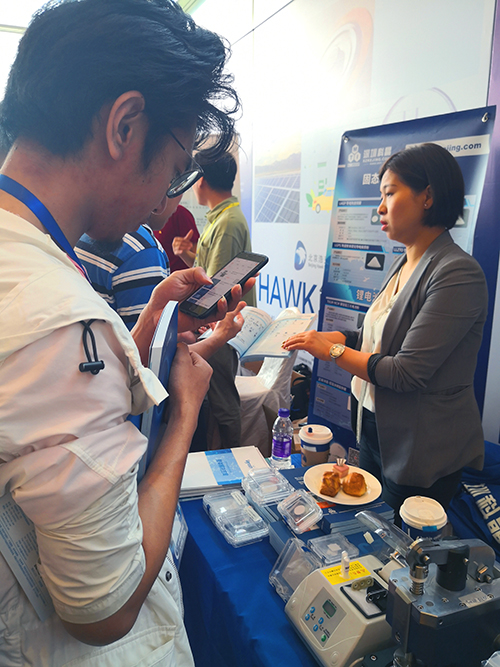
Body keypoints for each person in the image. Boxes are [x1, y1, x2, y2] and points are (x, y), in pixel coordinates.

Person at [0, 1, 252, 665]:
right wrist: (184, 415)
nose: (167, 196)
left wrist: (147, 323)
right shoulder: (54, 316)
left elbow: (45, 422)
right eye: (173, 168)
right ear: (124, 125)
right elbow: (104, 609)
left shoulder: (26, 258)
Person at [283, 143, 487, 519]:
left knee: (399, 542)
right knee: (369, 528)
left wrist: (332, 352)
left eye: (390, 194)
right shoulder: (404, 262)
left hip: (420, 446)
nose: (379, 207)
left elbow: (406, 372)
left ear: (428, 196)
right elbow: (374, 338)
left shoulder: (457, 272)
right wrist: (336, 340)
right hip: (374, 426)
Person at [173, 149, 256, 448]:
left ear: (200, 180)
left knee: (222, 401)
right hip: (214, 324)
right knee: (216, 398)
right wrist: (188, 256)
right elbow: (212, 274)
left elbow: (219, 286)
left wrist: (197, 322)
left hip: (220, 324)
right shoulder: (221, 218)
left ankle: (231, 458)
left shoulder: (227, 223)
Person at [153, 201, 200, 273]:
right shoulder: (142, 216)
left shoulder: (179, 213)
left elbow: (197, 259)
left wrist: (183, 252)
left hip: (178, 276)